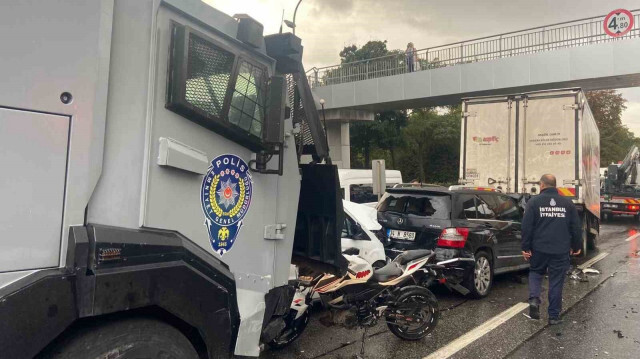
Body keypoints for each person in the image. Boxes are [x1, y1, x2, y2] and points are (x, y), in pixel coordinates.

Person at [521, 174, 582, 325]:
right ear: (556, 186)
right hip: (560, 250)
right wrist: (576, 246)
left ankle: (534, 299)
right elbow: (575, 227)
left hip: (539, 248)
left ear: (542, 185)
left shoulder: (533, 202)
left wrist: (525, 247)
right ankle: (554, 316)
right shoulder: (567, 203)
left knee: (535, 273)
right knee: (556, 281)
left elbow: (527, 226)